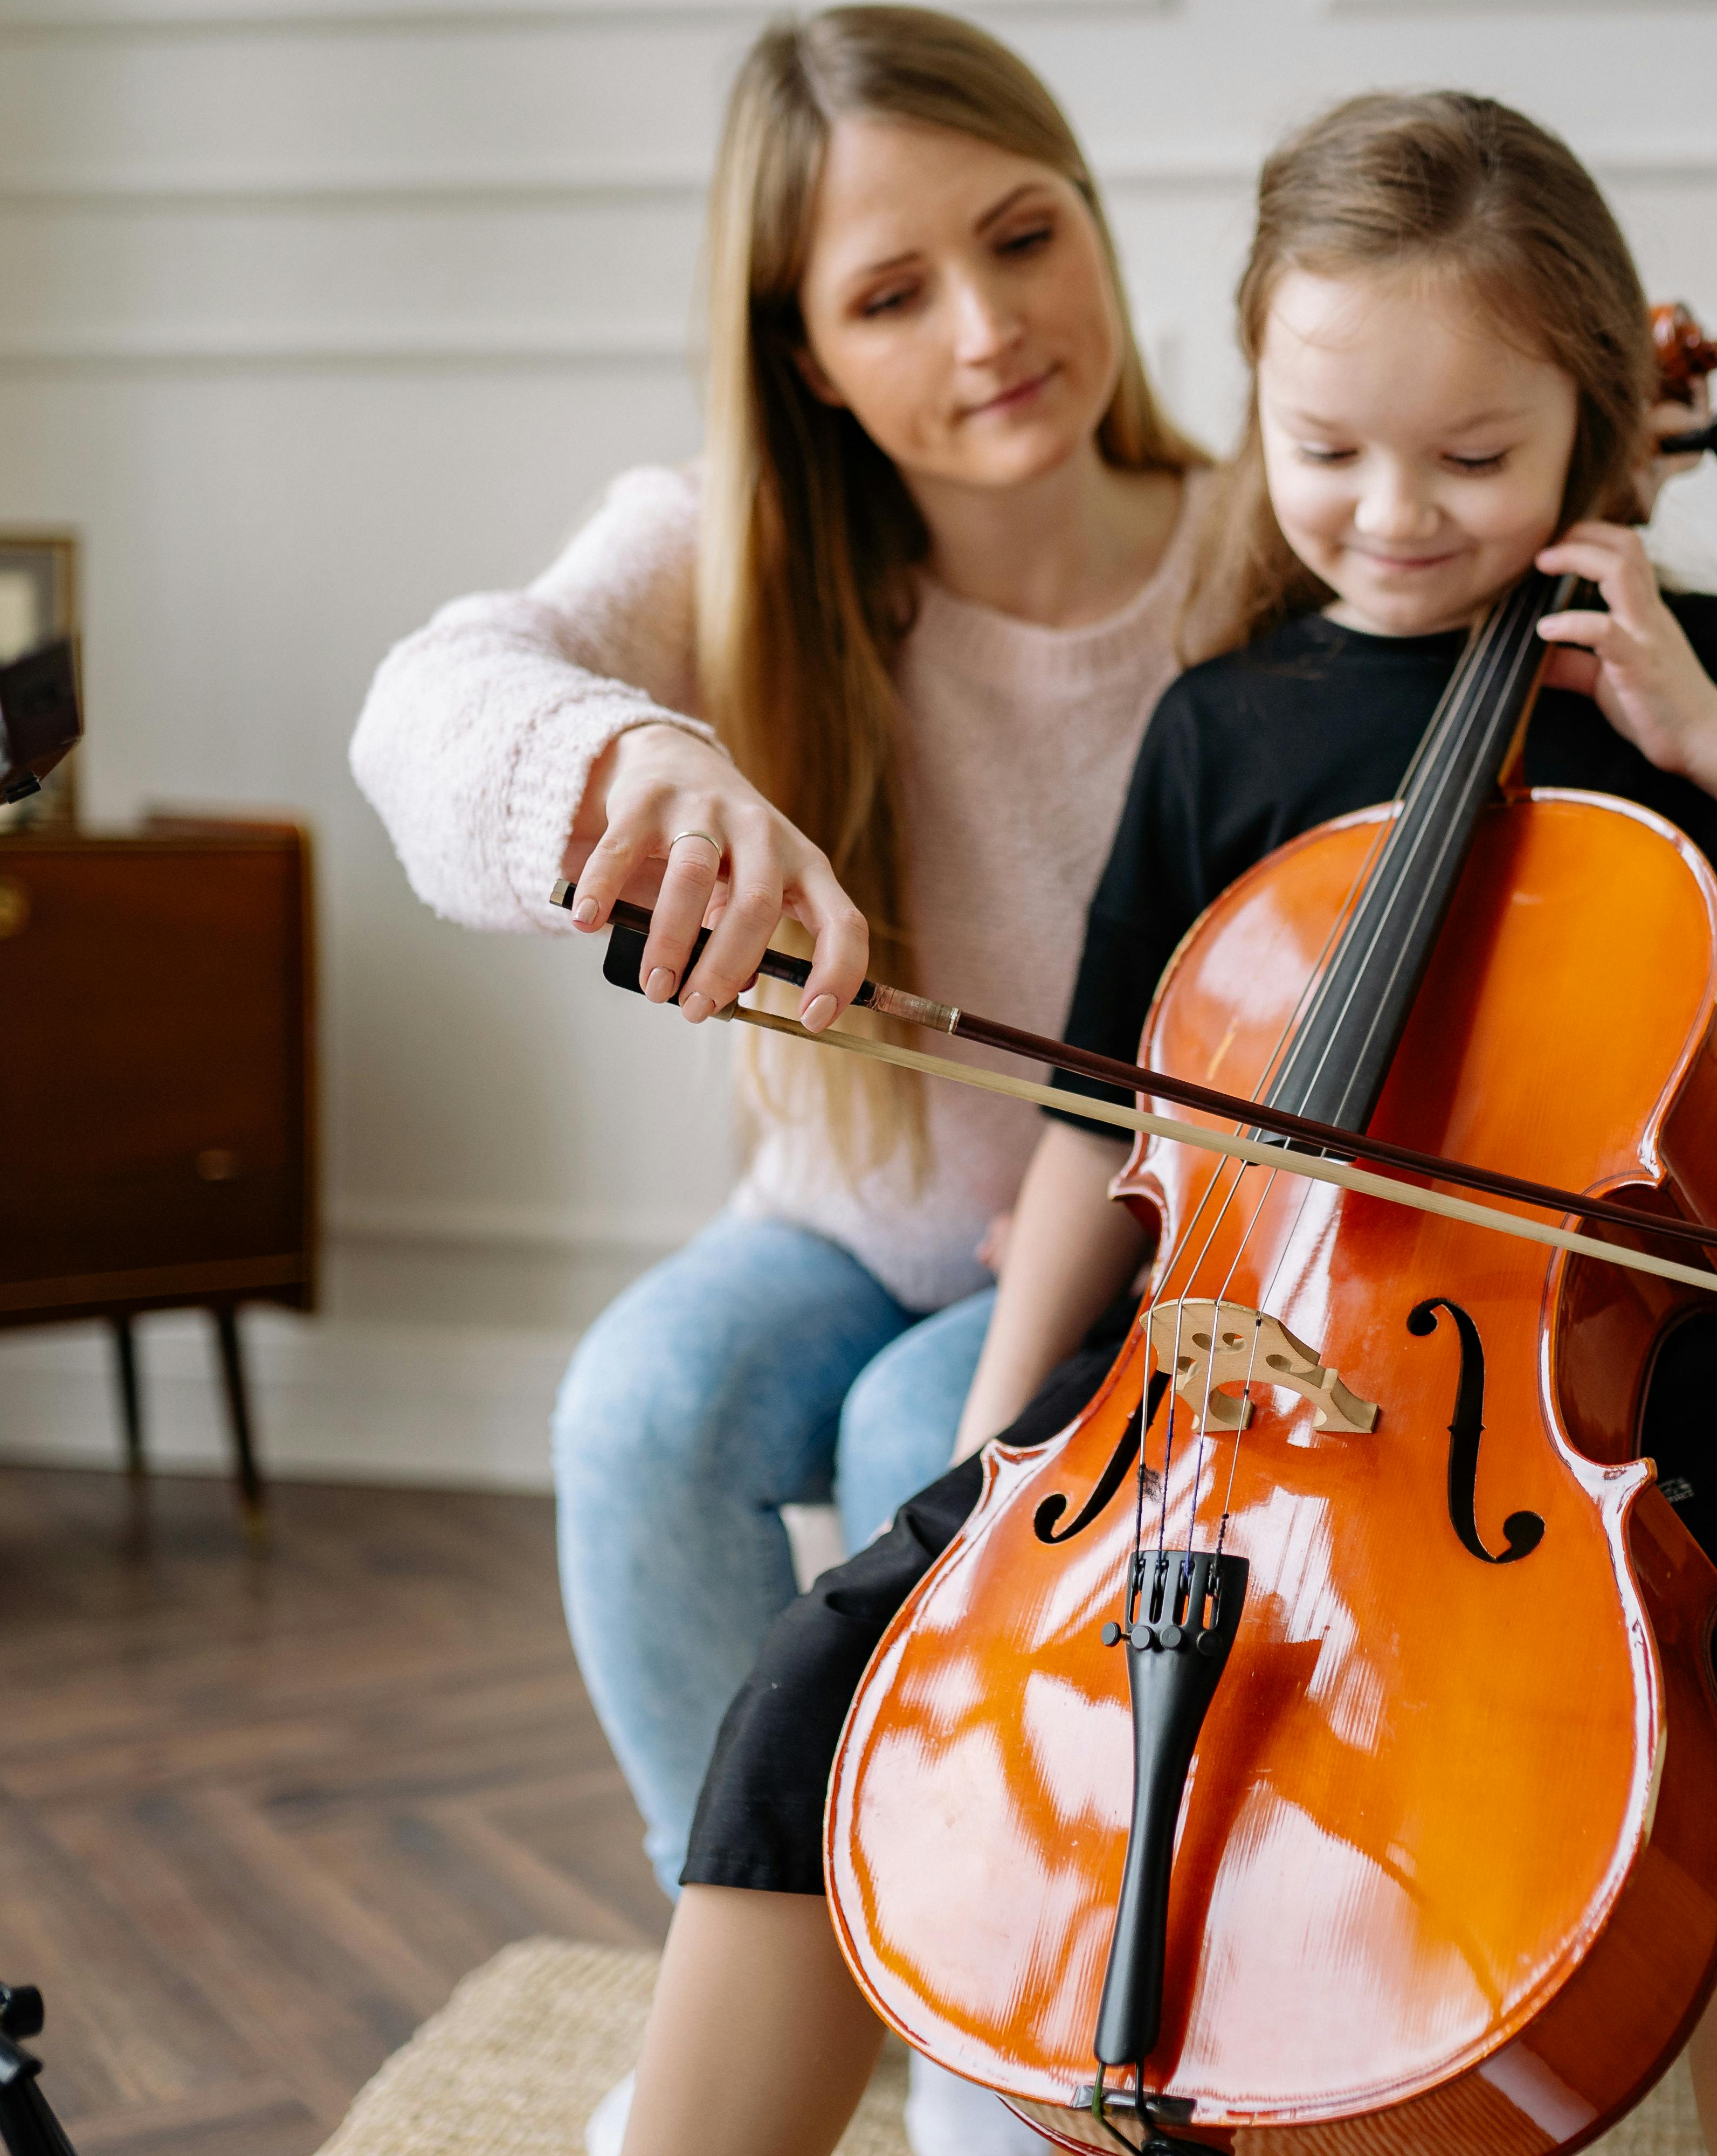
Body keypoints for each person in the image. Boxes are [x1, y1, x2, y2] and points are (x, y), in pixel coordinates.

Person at [631, 88, 1717, 2156]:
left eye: (1473, 458)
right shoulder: (1224, 724)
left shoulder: (1695, 681)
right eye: (1324, 452)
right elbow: (1092, 1127)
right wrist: (995, 1454)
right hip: (1200, 1378)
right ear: (1254, 396)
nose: (1395, 512)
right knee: (821, 1685)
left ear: (1596, 422)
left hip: (1619, 1405)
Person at [349, 11, 1209, 2151]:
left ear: (1096, 223)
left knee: (934, 1431)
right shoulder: (728, 545)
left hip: (1136, 1255)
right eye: (893, 294)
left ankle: (985, 2016)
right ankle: (766, 1978)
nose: (991, 327)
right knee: (640, 1405)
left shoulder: (1261, 555)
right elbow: (428, 709)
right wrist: (630, 753)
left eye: (1025, 239)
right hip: (845, 1221)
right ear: (809, 352)